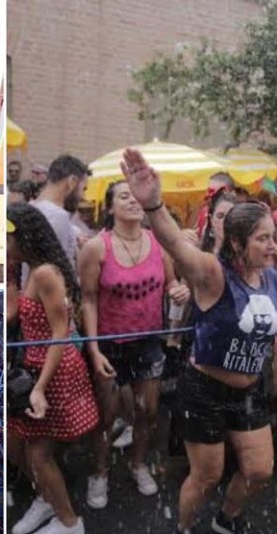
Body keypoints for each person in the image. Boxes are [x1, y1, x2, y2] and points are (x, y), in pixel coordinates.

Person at [121, 147, 277, 534]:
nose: (274, 245)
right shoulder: (214, 273)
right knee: (207, 475)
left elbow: (272, 321)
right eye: (264, 238)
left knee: (259, 469)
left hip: (248, 391)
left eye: (274, 237)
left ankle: (228, 518)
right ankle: (182, 529)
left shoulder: (269, 275)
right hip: (204, 392)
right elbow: (177, 248)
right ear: (236, 241)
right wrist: (153, 204)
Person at [79, 181, 190, 508]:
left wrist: (178, 290)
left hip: (148, 341)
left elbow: (172, 283)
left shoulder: (157, 243)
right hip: (109, 343)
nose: (133, 201)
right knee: (105, 416)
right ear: (110, 207)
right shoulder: (97, 248)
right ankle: (99, 472)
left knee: (148, 411)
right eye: (124, 196)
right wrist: (94, 348)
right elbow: (87, 300)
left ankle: (138, 463)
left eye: (136, 195)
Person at [6, 203, 99, 534]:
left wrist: (41, 388)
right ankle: (47, 496)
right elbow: (14, 315)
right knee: (24, 447)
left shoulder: (45, 273)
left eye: (7, 239)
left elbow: (60, 332)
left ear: (23, 237)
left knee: (39, 455)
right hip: (37, 365)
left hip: (54, 370)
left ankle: (67, 521)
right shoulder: (30, 269)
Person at [29, 155, 91, 271]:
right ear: (71, 182)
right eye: (83, 189)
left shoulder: (30, 207)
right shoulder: (58, 216)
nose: (83, 196)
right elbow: (54, 272)